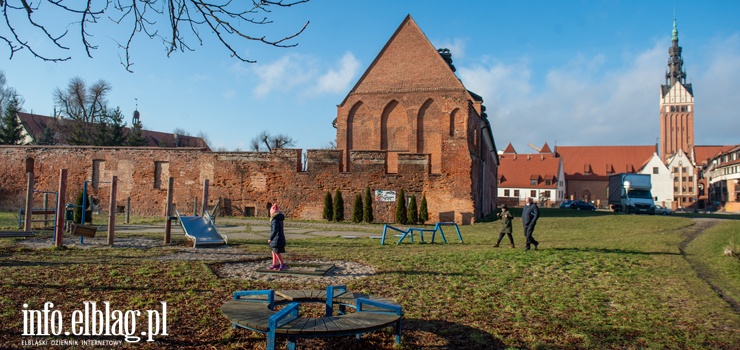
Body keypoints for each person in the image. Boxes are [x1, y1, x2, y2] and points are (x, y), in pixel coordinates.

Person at [268, 203, 287, 270]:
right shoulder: (279, 219)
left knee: (277, 252)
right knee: (273, 251)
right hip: (278, 238)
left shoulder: (275, 220)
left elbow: (275, 230)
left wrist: (270, 238)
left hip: (277, 238)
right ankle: (274, 264)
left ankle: (282, 264)